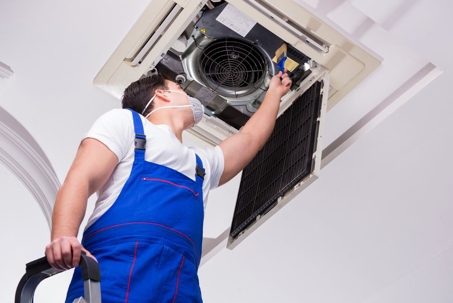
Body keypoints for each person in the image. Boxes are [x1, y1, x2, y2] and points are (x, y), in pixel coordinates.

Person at [45, 70, 292, 302]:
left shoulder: (202, 164)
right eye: (179, 87)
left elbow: (250, 139)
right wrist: (63, 236)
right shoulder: (127, 123)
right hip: (115, 270)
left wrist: (274, 93)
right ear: (161, 94)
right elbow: (81, 178)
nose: (189, 95)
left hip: (180, 282)